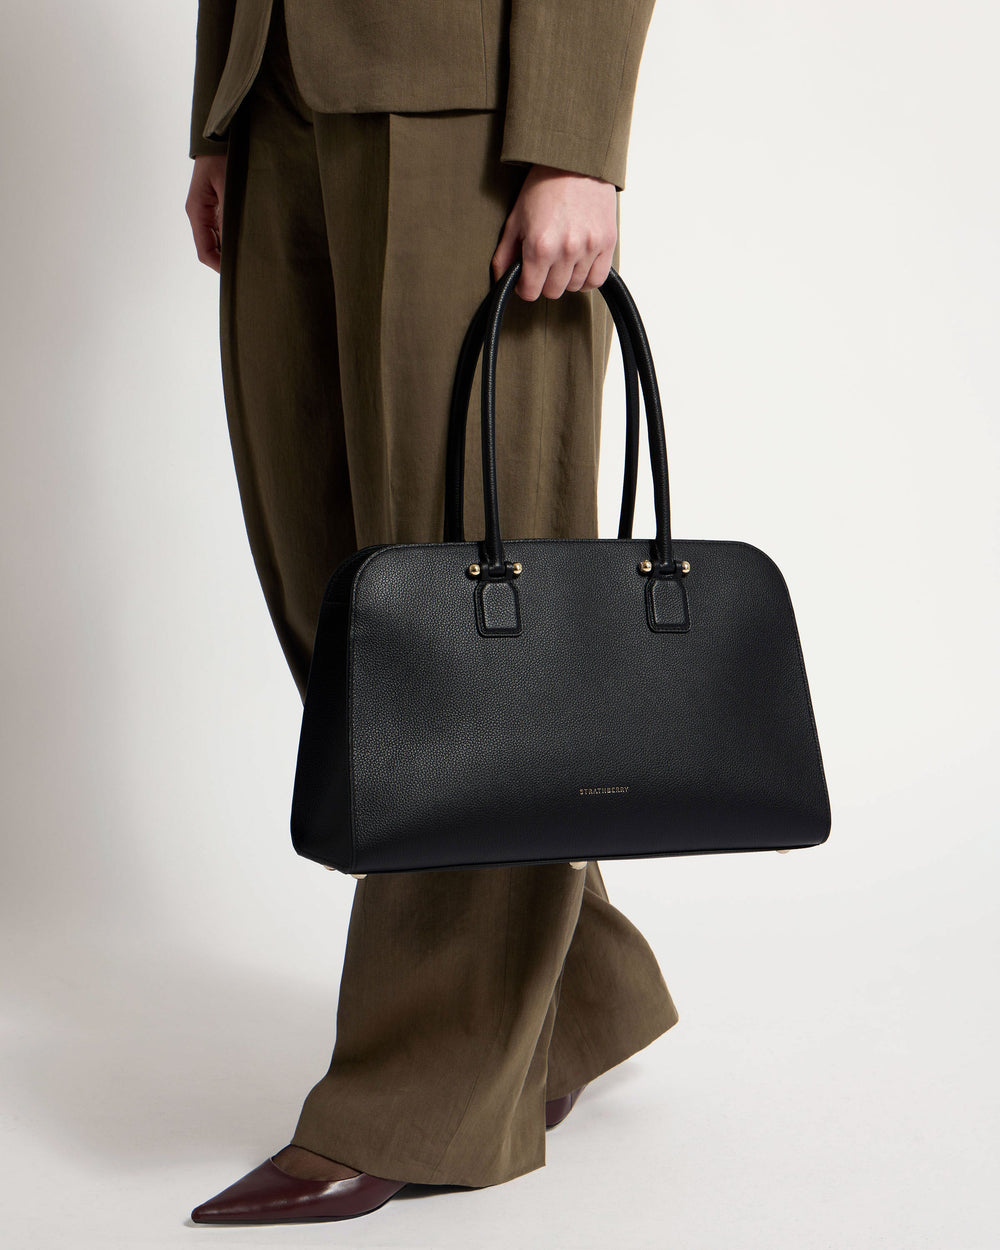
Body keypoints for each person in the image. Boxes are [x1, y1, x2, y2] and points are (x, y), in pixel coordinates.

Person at [183, 0, 678, 1225]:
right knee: (340, 596)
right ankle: (574, 990)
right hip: (276, 84)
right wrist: (222, 109)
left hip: (468, 103)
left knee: (459, 630)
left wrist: (574, 142)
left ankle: (423, 1094)